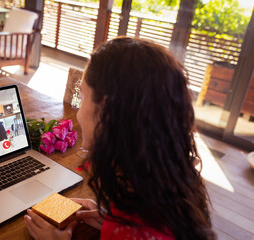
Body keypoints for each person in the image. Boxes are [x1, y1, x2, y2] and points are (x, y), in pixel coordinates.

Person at [24, 37, 215, 240]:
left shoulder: (131, 233)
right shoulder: (161, 183)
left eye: (83, 96)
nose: (79, 112)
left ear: (106, 112)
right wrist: (111, 218)